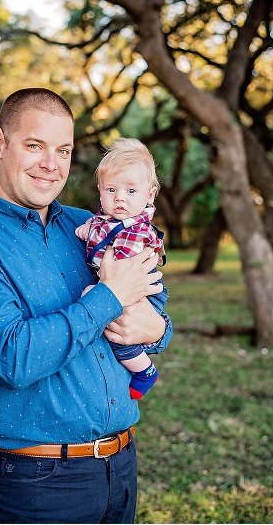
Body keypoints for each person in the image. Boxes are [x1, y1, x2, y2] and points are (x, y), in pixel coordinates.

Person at [0, 88, 173, 523]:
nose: (51, 164)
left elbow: (153, 305)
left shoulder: (89, 227)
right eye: (34, 146)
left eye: (63, 150)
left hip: (121, 464)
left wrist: (156, 332)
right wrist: (109, 298)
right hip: (36, 481)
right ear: (0, 143)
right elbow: (13, 358)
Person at [75, 137, 169, 400]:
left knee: (120, 336)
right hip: (120, 286)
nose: (119, 199)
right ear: (100, 191)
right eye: (111, 190)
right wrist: (87, 230)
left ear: (149, 195)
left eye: (131, 191)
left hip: (142, 290)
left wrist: (101, 289)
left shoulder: (138, 227)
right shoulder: (103, 220)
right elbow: (97, 228)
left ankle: (145, 370)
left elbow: (126, 263)